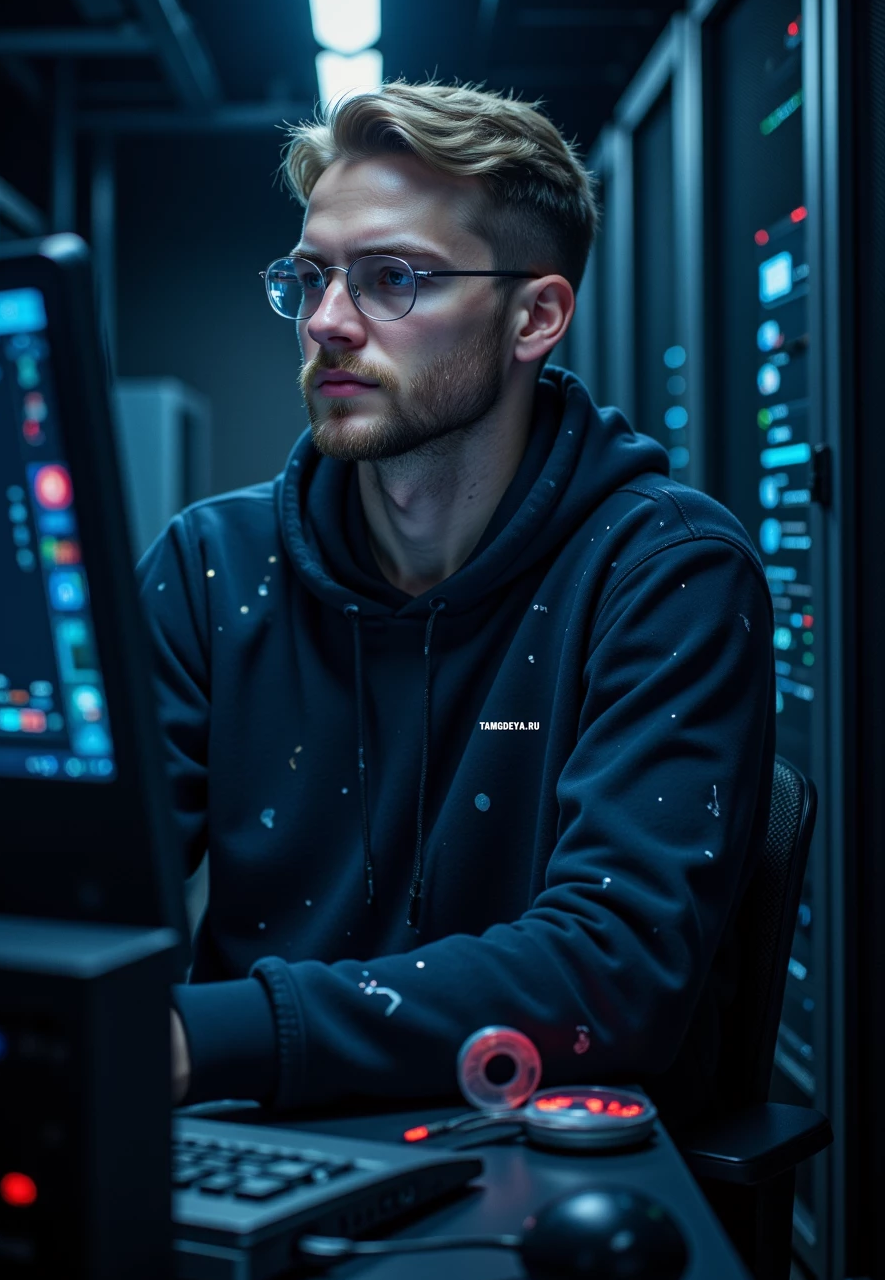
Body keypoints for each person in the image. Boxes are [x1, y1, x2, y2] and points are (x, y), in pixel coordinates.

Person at [140, 81, 775, 1133]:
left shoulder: (663, 570)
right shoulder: (211, 564)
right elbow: (90, 895)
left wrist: (199, 1038)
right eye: (309, 278)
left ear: (535, 315)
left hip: (533, 1155)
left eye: (391, 279)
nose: (327, 323)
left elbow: (611, 972)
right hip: (247, 1139)